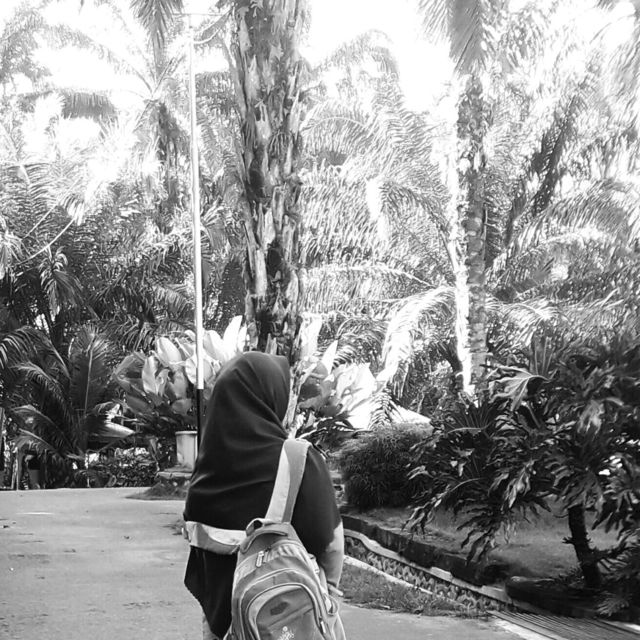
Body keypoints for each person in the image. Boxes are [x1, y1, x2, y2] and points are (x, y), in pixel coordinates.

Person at [183, 351, 344, 640]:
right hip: (287, 620)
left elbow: (199, 555)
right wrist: (329, 596)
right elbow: (330, 544)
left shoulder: (205, 468)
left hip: (222, 625)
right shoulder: (297, 459)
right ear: (272, 397)